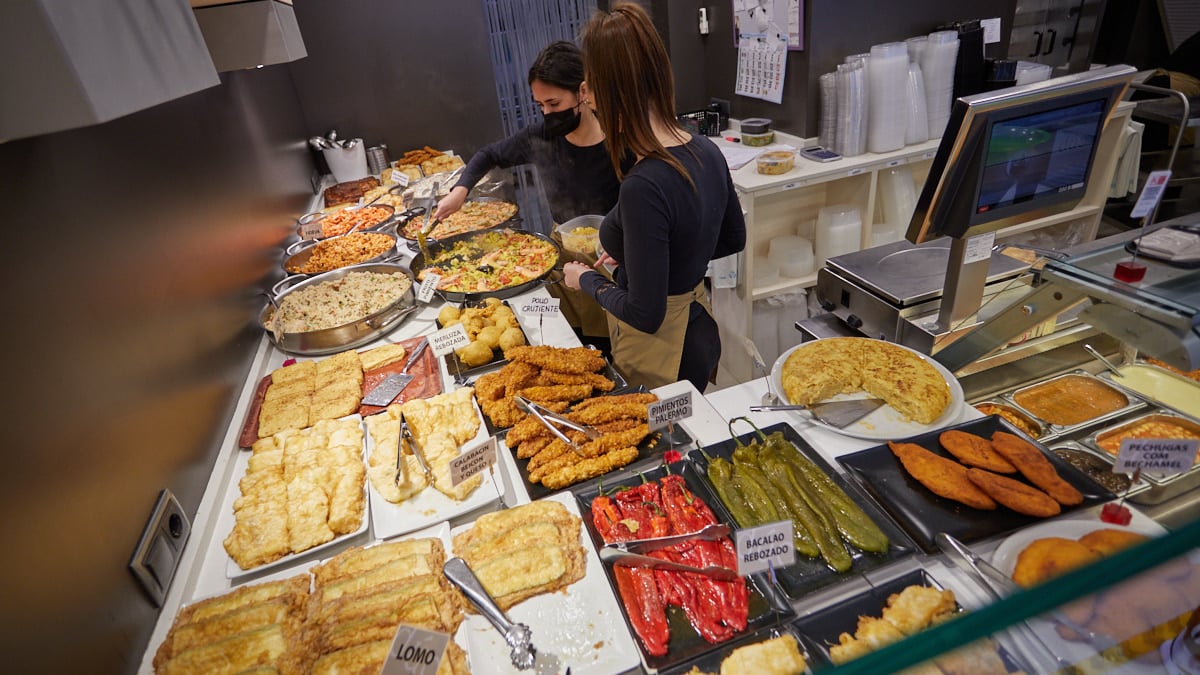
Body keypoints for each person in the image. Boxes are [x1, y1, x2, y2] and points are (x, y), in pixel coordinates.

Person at [563, 3, 746, 392]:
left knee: (666, 448)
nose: (586, 94)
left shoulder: (643, 184)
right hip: (699, 331)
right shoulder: (705, 149)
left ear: (607, 92)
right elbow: (732, 238)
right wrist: (649, 256)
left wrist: (588, 279)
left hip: (663, 349)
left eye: (590, 83)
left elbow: (645, 313)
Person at [433, 40, 630, 225]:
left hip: (614, 244)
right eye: (540, 105)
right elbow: (489, 154)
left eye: (554, 103)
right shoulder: (542, 136)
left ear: (583, 92)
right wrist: (459, 191)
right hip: (564, 238)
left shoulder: (620, 137)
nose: (546, 113)